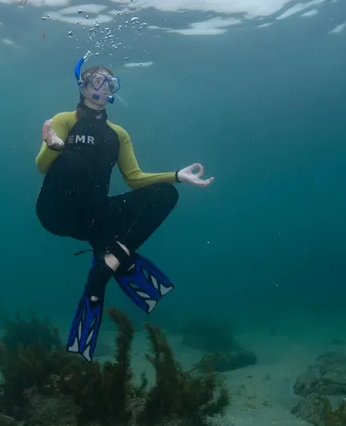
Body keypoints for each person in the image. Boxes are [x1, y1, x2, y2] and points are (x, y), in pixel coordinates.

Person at [35, 53, 214, 362]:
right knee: (72, 160)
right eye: (97, 81)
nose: (104, 88)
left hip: (94, 217)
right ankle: (108, 247)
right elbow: (41, 167)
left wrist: (176, 176)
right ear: (82, 86)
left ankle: (109, 263)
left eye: (110, 83)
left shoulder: (118, 135)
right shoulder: (64, 120)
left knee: (166, 195)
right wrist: (53, 148)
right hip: (57, 213)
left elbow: (134, 179)